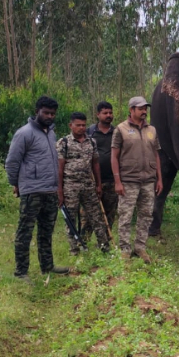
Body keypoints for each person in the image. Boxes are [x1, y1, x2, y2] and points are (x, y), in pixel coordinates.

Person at [5, 96, 69, 283]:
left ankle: (47, 266)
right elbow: (12, 162)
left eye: (52, 114)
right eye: (46, 113)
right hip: (32, 191)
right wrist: (16, 184)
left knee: (46, 231)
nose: (49, 116)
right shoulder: (24, 133)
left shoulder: (51, 133)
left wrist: (57, 188)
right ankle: (21, 272)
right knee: (25, 231)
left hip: (50, 190)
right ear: (37, 111)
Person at [111, 96, 163, 264]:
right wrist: (117, 181)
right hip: (128, 181)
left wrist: (159, 179)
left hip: (148, 180)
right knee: (125, 216)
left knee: (146, 215)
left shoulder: (152, 130)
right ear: (131, 110)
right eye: (140, 108)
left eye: (145, 108)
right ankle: (125, 249)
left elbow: (156, 155)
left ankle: (140, 247)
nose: (144, 111)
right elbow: (114, 156)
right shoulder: (121, 129)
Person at [57, 112, 110, 255]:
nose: (81, 128)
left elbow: (96, 164)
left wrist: (98, 185)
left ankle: (104, 245)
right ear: (71, 125)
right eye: (78, 125)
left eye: (83, 125)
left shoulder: (91, 142)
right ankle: (74, 249)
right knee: (71, 218)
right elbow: (60, 168)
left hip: (88, 185)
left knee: (96, 216)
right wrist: (59, 191)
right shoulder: (64, 143)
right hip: (70, 186)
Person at [83, 101, 118, 238]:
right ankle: (84, 240)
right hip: (92, 180)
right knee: (89, 212)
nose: (108, 115)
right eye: (105, 113)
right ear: (98, 115)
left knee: (109, 213)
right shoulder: (89, 132)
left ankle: (105, 242)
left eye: (110, 113)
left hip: (112, 180)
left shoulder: (116, 133)